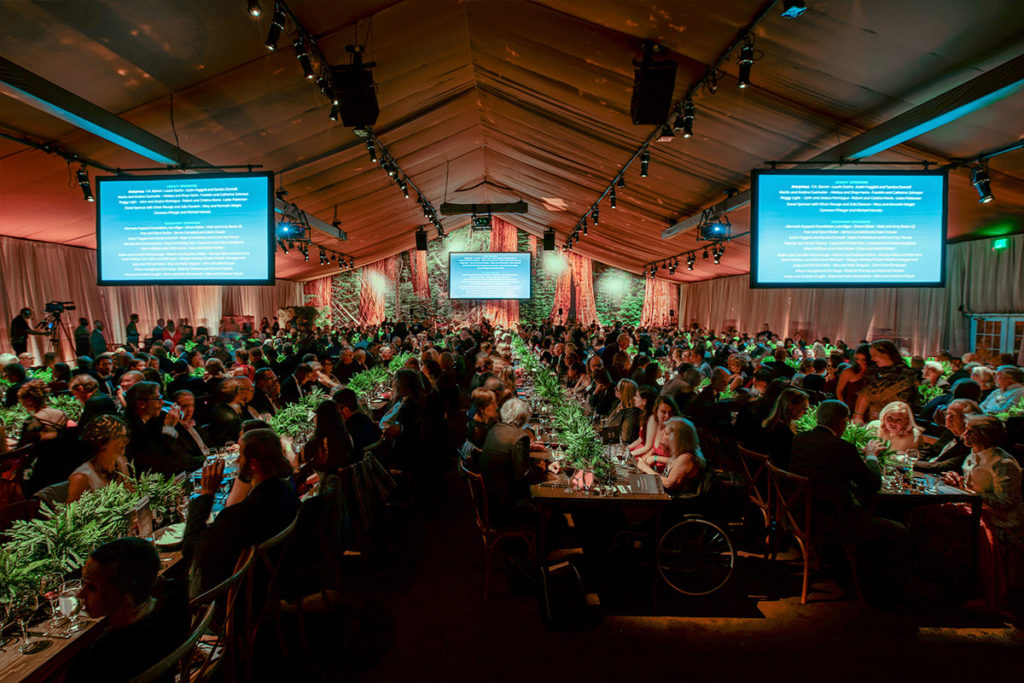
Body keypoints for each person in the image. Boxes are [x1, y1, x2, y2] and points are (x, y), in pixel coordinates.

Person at [183, 428, 298, 595]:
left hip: (242, 596)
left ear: (252, 464)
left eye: (241, 455)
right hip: (277, 578)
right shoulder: (286, 490)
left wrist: (206, 494)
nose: (237, 460)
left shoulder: (242, 515)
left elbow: (191, 549)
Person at [65, 538, 186, 683]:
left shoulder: (97, 660)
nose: (80, 594)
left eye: (92, 587)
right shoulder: (174, 612)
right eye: (83, 584)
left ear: (126, 592)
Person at [478, 398, 546, 525]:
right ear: (523, 419)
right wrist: (541, 468)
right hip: (506, 508)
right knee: (556, 518)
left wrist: (533, 462)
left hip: (488, 501)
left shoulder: (495, 428)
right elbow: (523, 475)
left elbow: (509, 458)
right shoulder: (520, 437)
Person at [123, 381, 186, 476]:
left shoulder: (152, 420)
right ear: (141, 404)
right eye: (157, 398)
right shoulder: (129, 428)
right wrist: (169, 427)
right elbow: (157, 460)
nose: (162, 402)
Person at [67, 415, 132, 503]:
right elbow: (72, 515)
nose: (125, 441)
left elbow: (132, 496)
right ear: (102, 444)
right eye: (119, 437)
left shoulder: (120, 463)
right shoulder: (81, 478)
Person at [853, 340, 918, 423]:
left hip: (896, 421)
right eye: (871, 356)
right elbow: (864, 394)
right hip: (873, 420)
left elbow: (904, 402)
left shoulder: (906, 374)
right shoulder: (873, 371)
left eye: (875, 355)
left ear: (887, 354)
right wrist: (858, 415)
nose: (872, 358)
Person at [637, 417, 705, 494]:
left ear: (677, 438)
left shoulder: (686, 458)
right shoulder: (681, 454)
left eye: (666, 433)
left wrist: (645, 468)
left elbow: (668, 483)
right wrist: (654, 459)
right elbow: (672, 461)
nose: (662, 434)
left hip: (676, 503)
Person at [914, 398, 981, 474]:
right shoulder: (950, 432)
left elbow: (943, 467)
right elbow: (930, 450)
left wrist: (909, 463)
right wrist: (907, 459)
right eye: (947, 414)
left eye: (952, 415)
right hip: (923, 470)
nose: (947, 418)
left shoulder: (970, 443)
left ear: (966, 420)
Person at [758, 388, 809, 469]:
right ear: (790, 405)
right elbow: (786, 460)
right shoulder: (783, 432)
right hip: (776, 475)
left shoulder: (771, 423)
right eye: (804, 408)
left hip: (763, 470)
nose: (806, 413)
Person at [301, 400, 354, 474]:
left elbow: (305, 461)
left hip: (328, 482)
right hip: (348, 479)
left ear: (319, 419)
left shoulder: (315, 444)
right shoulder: (346, 436)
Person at [16, 380, 68, 446]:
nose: (22, 405)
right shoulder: (62, 414)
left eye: (22, 401)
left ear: (29, 401)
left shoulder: (32, 421)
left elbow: (22, 447)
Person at [332, 388, 381, 454]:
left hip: (360, 460)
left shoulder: (349, 428)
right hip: (375, 456)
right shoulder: (364, 417)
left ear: (345, 410)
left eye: (337, 410)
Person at [172, 390, 208, 470]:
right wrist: (212, 457)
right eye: (184, 406)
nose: (190, 409)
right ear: (174, 407)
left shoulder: (194, 423)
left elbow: (208, 446)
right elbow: (186, 461)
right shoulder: (173, 429)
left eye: (192, 405)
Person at [605, 379, 642, 444]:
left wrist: (606, 437)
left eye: (617, 389)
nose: (614, 389)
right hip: (610, 440)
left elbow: (625, 438)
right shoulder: (618, 403)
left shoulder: (631, 412)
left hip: (619, 446)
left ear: (624, 393)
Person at [835, 344, 870, 412]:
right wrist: (845, 409)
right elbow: (839, 391)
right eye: (857, 359)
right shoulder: (848, 372)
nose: (859, 362)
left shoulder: (874, 373)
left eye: (863, 360)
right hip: (849, 408)